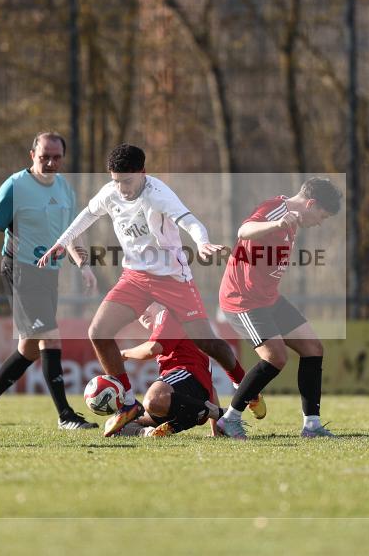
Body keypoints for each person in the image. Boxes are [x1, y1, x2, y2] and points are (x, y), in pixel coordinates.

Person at [38, 143, 262, 437]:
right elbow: (87, 215)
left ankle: (244, 385)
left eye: (127, 181)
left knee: (206, 342)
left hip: (173, 279)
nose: (122, 189)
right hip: (135, 277)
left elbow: (189, 221)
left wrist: (202, 243)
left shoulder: (158, 194)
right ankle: (128, 404)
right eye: (116, 181)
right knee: (98, 332)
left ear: (142, 173)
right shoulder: (111, 192)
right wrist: (60, 241)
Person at [0, 131, 99, 430]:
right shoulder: (14, 186)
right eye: (44, 157)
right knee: (50, 336)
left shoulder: (65, 188)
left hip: (49, 273)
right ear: (32, 156)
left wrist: (83, 265)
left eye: (57, 157)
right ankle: (65, 415)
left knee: (28, 347)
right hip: (20, 270)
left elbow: (71, 233)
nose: (51, 163)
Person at [216, 178, 343, 440]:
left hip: (269, 298)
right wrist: (277, 223)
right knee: (276, 358)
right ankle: (229, 420)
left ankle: (312, 426)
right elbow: (244, 231)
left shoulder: (293, 219)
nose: (320, 222)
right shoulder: (276, 209)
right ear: (310, 203)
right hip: (243, 299)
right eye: (322, 215)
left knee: (313, 349)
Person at [118, 304, 223, 437]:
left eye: (147, 304)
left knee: (153, 400)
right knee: (119, 426)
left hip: (189, 392)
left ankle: (211, 411)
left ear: (160, 302)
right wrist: (216, 430)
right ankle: (149, 433)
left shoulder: (168, 314)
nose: (142, 314)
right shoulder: (164, 329)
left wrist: (123, 354)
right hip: (184, 406)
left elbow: (152, 349)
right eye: (138, 312)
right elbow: (210, 388)